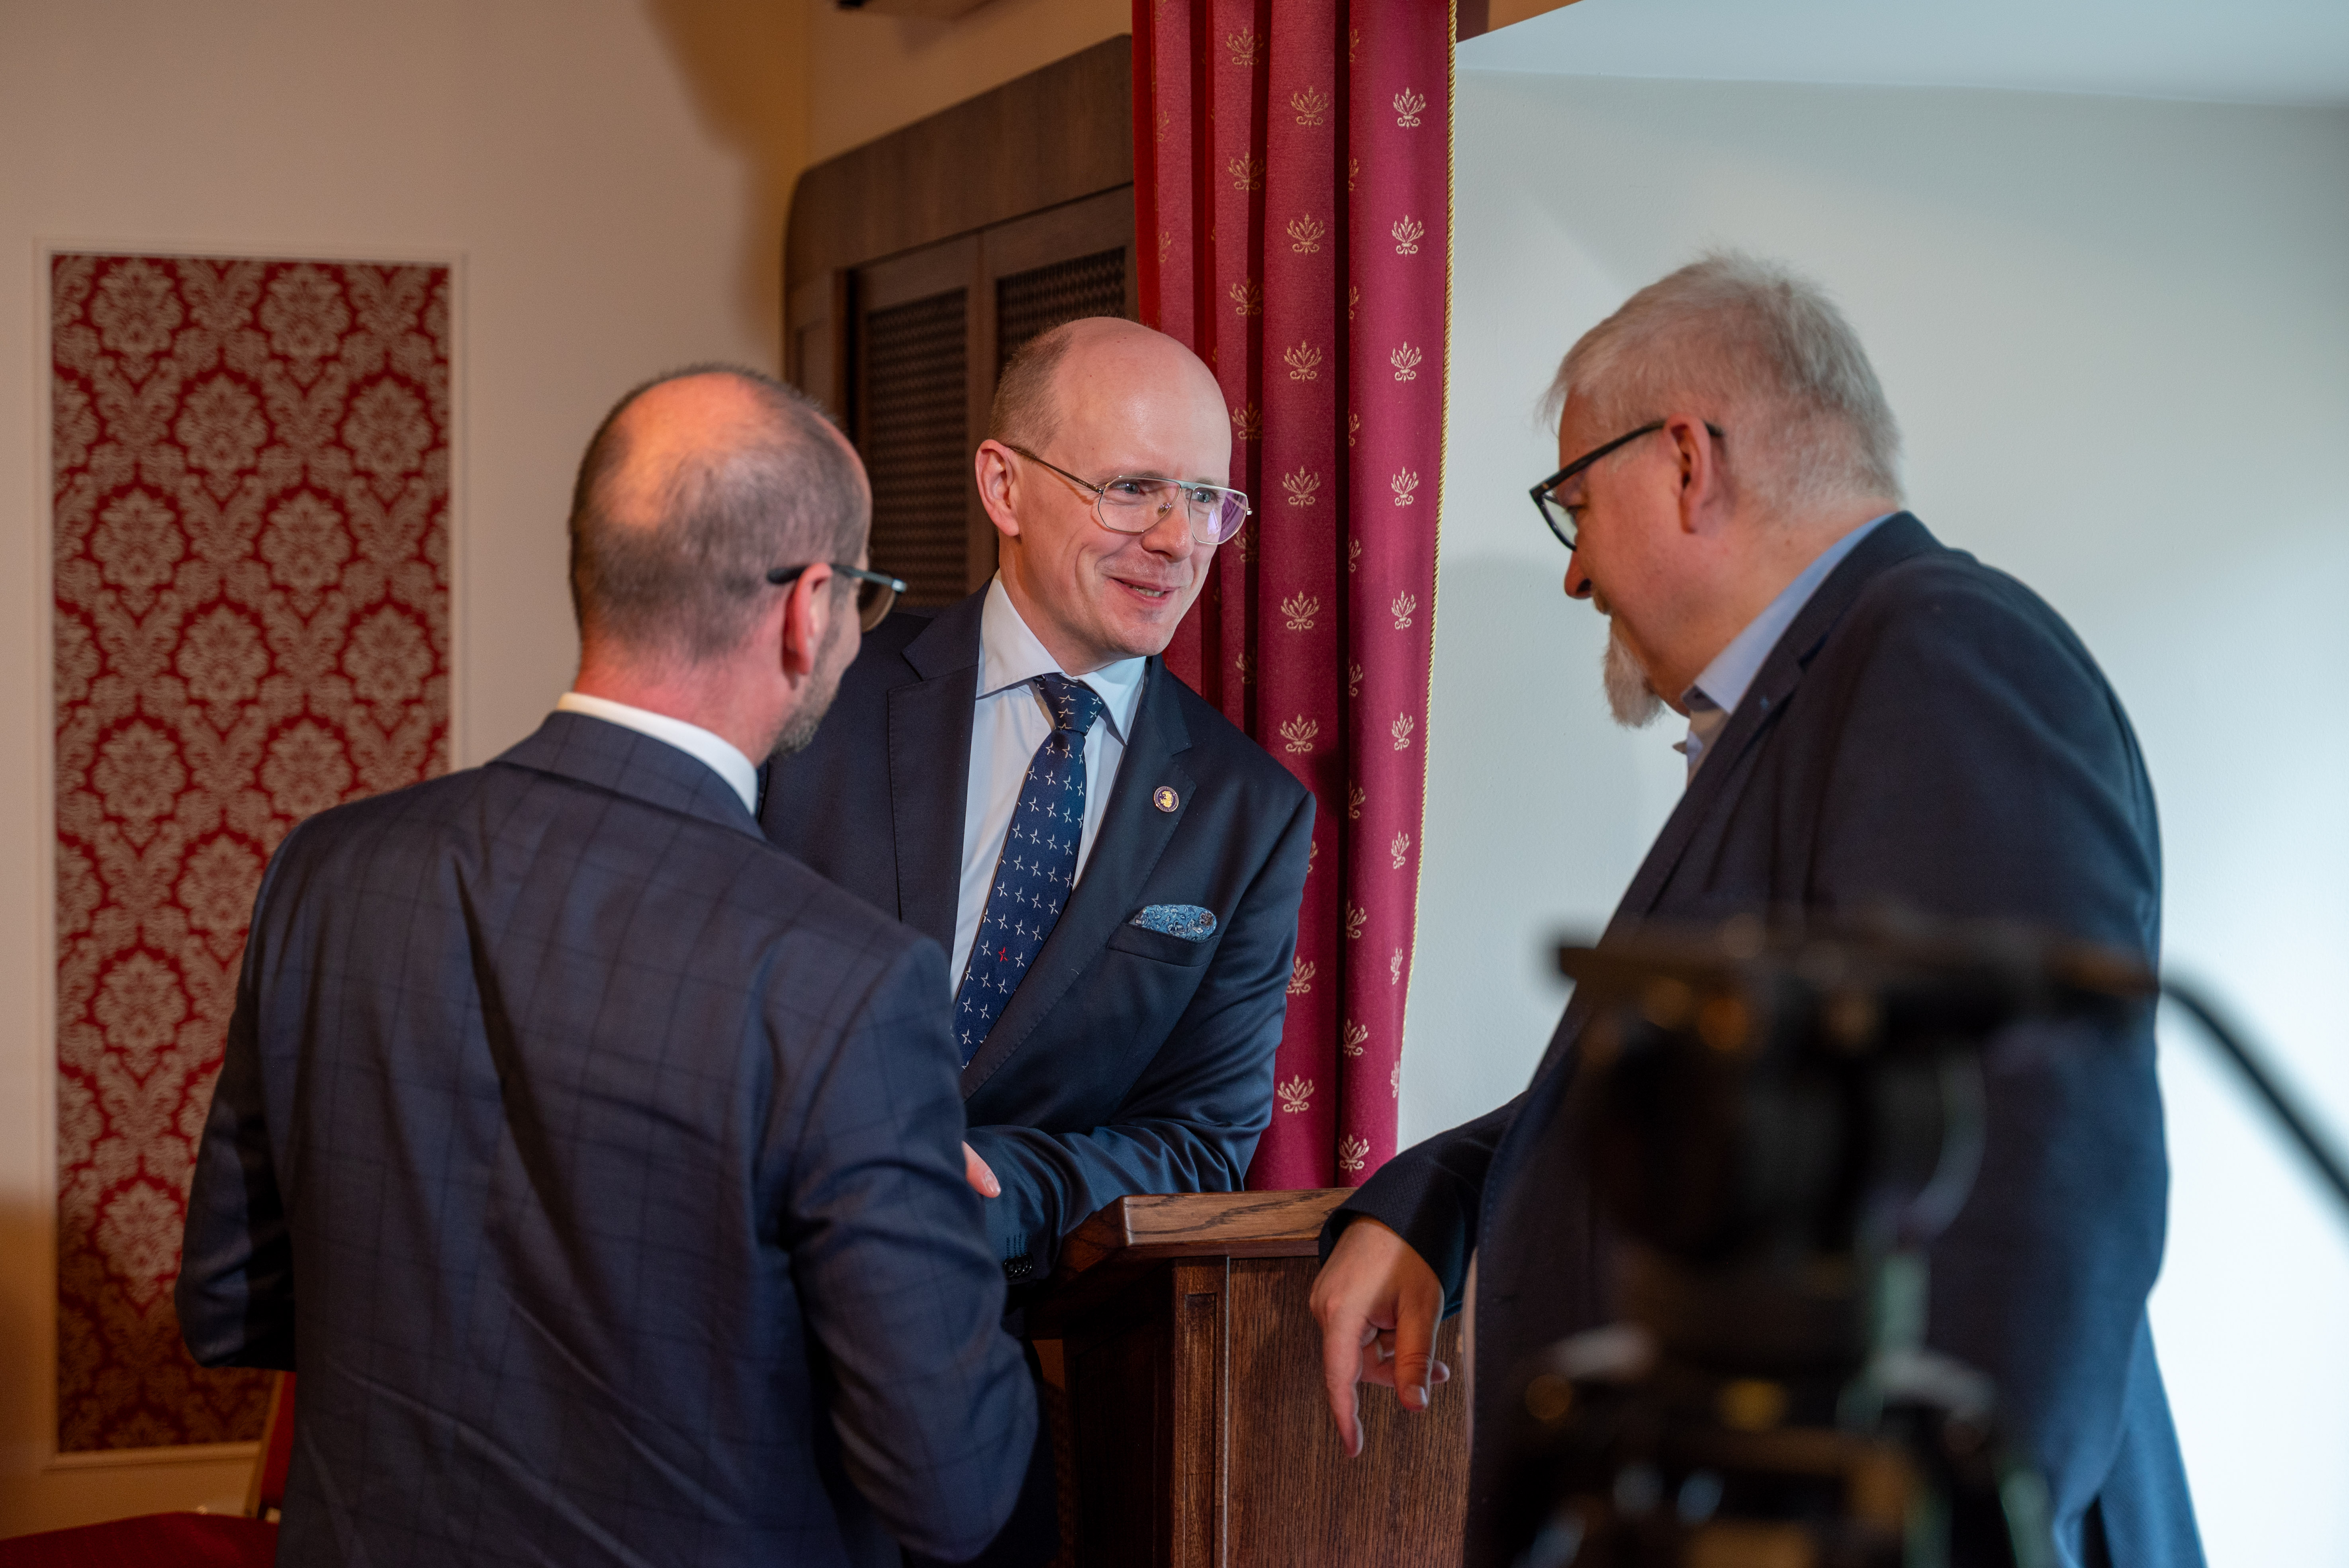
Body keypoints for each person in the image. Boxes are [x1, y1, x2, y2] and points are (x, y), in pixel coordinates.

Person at [1309, 256, 2202, 1568]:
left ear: (1685, 461)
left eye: (1575, 506)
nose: (1575, 576)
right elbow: (1782, 1084)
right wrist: (1438, 1190)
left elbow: (2026, 1182)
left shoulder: (1937, 652)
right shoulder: (1837, 679)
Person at [177, 366, 1041, 1567]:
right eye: (862, 594)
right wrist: (932, 1220)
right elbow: (955, 1489)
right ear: (808, 609)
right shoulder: (848, 983)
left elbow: (230, 1303)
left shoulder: (329, 870)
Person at [761, 317, 1314, 1284]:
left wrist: (986, 1193)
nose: (1176, 540)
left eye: (1204, 500)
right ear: (1004, 486)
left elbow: (1196, 1145)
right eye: (1132, 488)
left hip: (1007, 1335)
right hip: (739, 1281)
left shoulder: (1250, 814)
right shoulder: (815, 692)